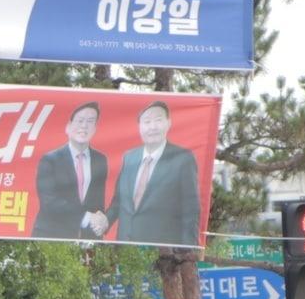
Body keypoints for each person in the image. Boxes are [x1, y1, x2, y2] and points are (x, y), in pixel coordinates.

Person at [89, 100, 201, 247]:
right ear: (140, 127)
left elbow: (190, 211)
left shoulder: (182, 158)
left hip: (163, 254)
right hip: (125, 249)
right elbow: (118, 202)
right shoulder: (130, 157)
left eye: (158, 120)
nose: (152, 127)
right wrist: (105, 221)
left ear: (168, 123)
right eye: (147, 122)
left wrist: (188, 252)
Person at [32, 101, 108, 241]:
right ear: (68, 127)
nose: (84, 126)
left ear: (95, 128)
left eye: (90, 121)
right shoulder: (50, 159)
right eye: (80, 121)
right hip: (50, 236)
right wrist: (86, 217)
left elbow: (97, 201)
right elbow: (49, 201)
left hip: (87, 241)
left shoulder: (101, 160)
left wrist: (102, 218)